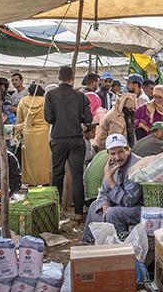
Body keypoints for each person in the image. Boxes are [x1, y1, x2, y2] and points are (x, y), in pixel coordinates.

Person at [45, 65, 93, 219]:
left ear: (59, 77)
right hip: (76, 139)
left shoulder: (51, 95)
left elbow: (48, 118)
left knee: (57, 174)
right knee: (77, 176)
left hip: (58, 139)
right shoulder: (80, 96)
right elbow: (88, 118)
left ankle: (56, 211)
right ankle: (78, 212)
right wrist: (76, 117)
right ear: (73, 78)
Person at [83, 134, 143, 242]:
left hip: (139, 207)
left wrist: (110, 179)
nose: (117, 157)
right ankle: (89, 243)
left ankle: (118, 245)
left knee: (112, 213)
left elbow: (129, 201)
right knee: (94, 206)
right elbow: (103, 192)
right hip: (119, 202)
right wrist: (104, 204)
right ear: (108, 154)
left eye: (120, 152)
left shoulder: (136, 166)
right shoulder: (111, 163)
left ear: (128, 150)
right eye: (113, 153)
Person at [14, 85, 51, 186]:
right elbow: (50, 118)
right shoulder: (46, 101)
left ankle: (31, 183)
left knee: (29, 162)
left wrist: (16, 136)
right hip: (43, 135)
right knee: (43, 161)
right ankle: (44, 181)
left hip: (28, 135)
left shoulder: (23, 101)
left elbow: (19, 120)